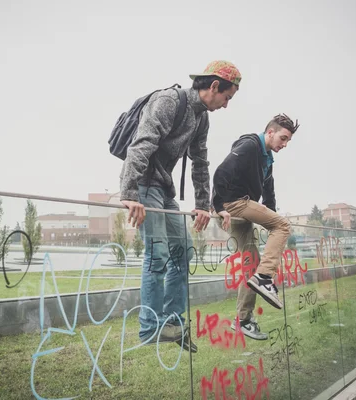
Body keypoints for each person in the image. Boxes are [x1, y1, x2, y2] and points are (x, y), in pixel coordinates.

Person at [120, 60, 242, 352]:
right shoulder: (168, 101)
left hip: (163, 189)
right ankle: (150, 328)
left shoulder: (202, 118)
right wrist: (130, 193)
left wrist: (202, 205)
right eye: (227, 98)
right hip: (144, 185)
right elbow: (141, 145)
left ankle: (172, 322)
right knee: (158, 252)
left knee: (183, 250)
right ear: (214, 86)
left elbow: (200, 162)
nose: (226, 105)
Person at [211, 114, 298, 337]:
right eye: (283, 138)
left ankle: (243, 320)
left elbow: (269, 195)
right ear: (270, 132)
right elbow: (222, 171)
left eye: (288, 141)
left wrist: (271, 218)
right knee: (284, 226)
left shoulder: (267, 158)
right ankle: (265, 278)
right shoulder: (250, 145)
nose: (285, 144)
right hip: (232, 205)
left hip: (240, 208)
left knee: (252, 261)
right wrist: (218, 205)